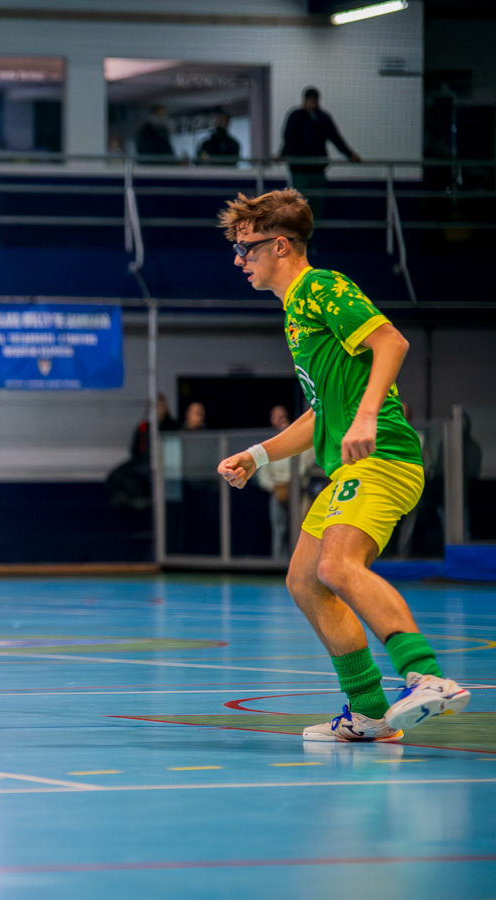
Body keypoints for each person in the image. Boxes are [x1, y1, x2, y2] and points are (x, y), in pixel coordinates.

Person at [215, 188, 470, 742]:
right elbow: (320, 414)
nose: (239, 260)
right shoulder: (294, 313)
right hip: (348, 467)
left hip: (383, 458)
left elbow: (391, 341)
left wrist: (367, 417)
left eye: (246, 249)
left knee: (336, 566)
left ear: (280, 246)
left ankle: (427, 677)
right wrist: (257, 456)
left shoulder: (322, 287)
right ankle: (370, 712)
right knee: (304, 581)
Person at [277, 88, 361, 220]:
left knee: (315, 209)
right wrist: (282, 154)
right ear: (304, 100)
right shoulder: (296, 117)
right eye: (310, 100)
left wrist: (349, 155)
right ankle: (303, 233)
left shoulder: (322, 118)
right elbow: (288, 138)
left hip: (317, 170)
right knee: (299, 208)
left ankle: (312, 232)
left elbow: (335, 137)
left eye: (314, 100)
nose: (312, 103)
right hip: (300, 170)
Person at [254, 405, 294, 559]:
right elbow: (263, 473)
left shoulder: (294, 437)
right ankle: (278, 563)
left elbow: (304, 463)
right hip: (277, 492)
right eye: (276, 416)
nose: (280, 420)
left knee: (300, 528)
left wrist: (293, 482)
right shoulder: (267, 443)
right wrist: (275, 487)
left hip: (297, 490)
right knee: (280, 529)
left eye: (282, 416)